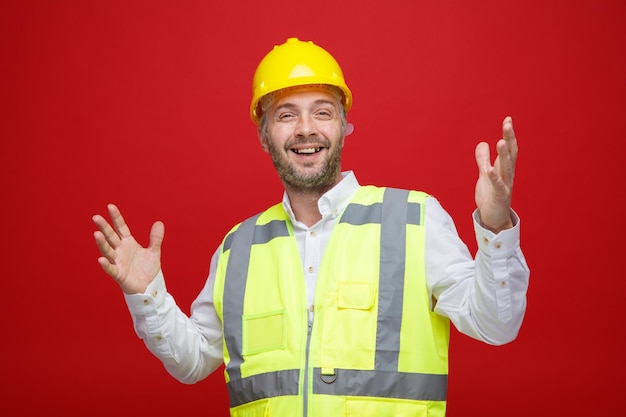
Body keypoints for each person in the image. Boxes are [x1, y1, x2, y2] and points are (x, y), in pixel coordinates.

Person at [93, 37, 529, 417]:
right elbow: (192, 362)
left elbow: (496, 324)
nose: (306, 130)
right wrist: (147, 294)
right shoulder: (237, 249)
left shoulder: (415, 219)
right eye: (285, 115)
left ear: (343, 125)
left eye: (322, 112)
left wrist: (494, 225)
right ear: (264, 135)